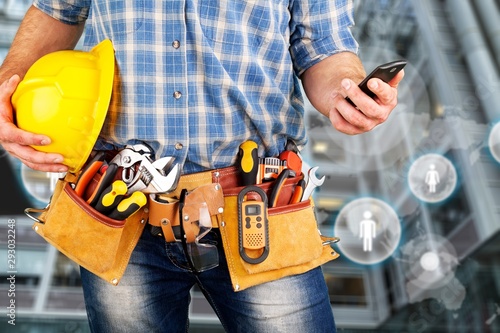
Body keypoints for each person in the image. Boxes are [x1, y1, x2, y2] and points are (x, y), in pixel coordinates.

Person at [0, 1, 404, 332]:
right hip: (124, 210)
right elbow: (57, 10)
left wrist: (347, 93)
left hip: (258, 211)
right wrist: (8, 86)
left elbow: (325, 47)